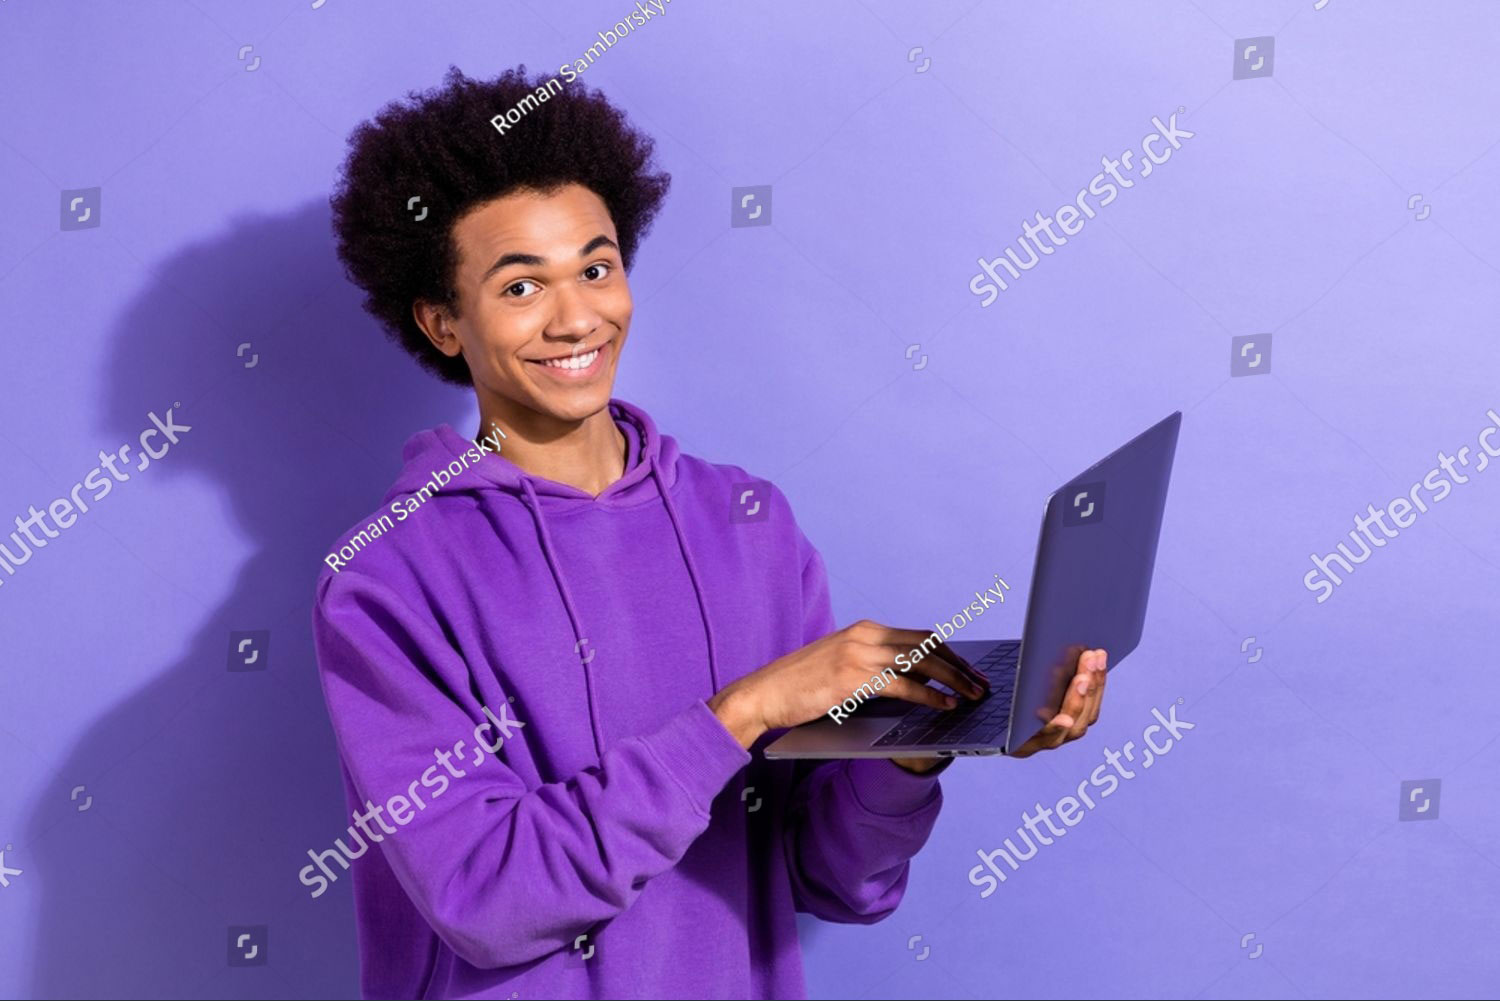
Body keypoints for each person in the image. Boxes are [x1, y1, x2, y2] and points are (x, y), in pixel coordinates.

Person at [312, 65, 1108, 1000]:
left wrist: (912, 746)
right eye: (521, 286)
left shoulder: (749, 522)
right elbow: (489, 896)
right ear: (444, 322)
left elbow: (832, 878)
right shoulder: (386, 580)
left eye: (596, 267)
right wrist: (743, 713)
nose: (578, 317)